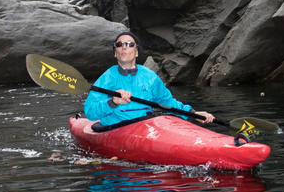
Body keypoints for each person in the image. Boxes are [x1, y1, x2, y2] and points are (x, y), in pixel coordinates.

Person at [84, 31, 213, 128]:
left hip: (146, 126)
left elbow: (167, 103)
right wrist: (113, 101)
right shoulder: (107, 78)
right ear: (115, 52)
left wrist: (193, 113)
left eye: (129, 44)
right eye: (119, 44)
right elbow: (90, 112)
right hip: (116, 127)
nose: (124, 47)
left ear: (136, 52)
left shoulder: (149, 76)